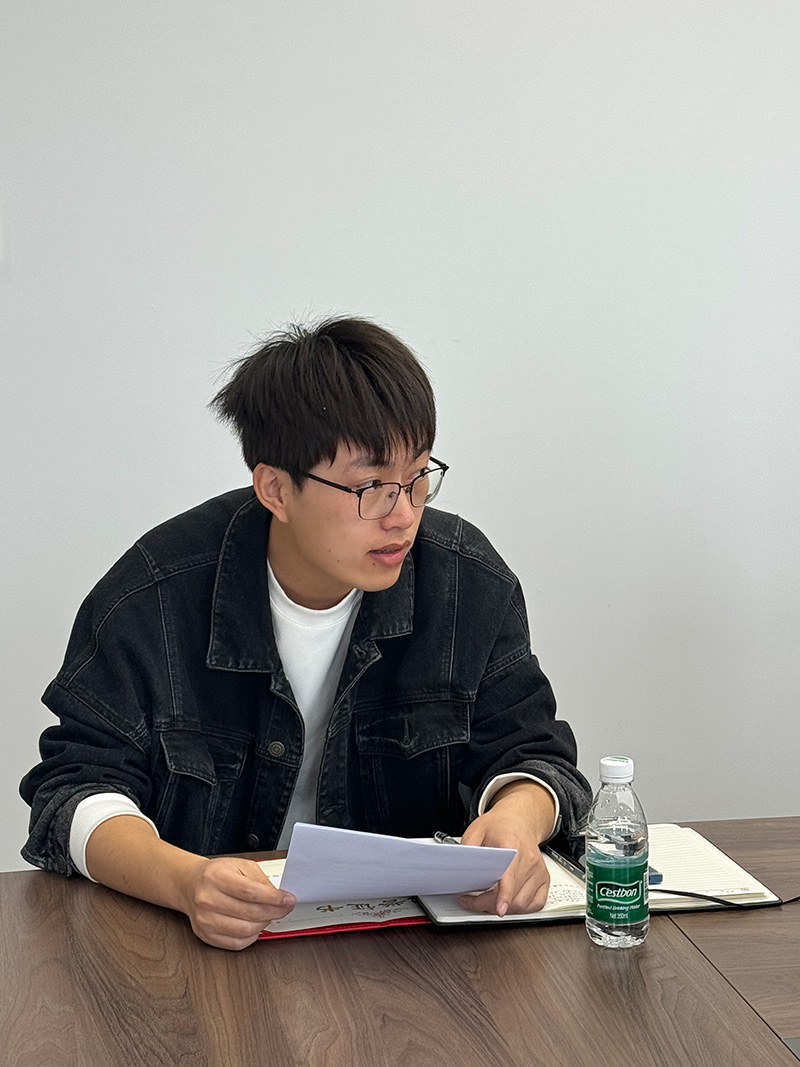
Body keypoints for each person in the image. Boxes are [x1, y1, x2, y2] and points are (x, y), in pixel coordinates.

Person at [20, 316, 591, 950]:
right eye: (370, 486)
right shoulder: (154, 595)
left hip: (404, 953)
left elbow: (533, 755)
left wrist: (518, 819)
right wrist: (185, 882)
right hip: (196, 949)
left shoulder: (466, 584)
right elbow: (75, 791)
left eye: (418, 477)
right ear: (275, 488)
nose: (403, 515)